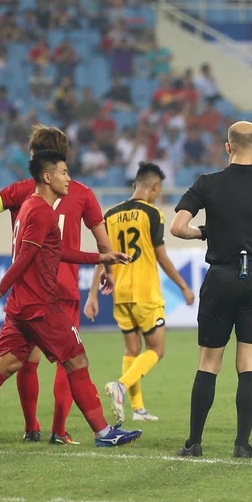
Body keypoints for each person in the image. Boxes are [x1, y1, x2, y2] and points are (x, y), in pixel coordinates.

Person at [0, 151, 139, 449]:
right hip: (40, 305)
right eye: (64, 172)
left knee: (5, 365)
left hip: (22, 305)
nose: (69, 178)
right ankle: (102, 432)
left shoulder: (31, 205)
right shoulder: (41, 211)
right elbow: (26, 258)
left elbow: (56, 252)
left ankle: (92, 431)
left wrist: (101, 257)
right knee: (76, 359)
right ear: (47, 177)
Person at [170, 121, 252, 458]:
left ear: (227, 147)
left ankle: (194, 443)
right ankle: (242, 444)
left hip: (221, 276)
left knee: (208, 361)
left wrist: (203, 233)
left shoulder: (208, 183)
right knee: (248, 361)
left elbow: (177, 226)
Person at [86, 162, 195, 424]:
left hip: (120, 293)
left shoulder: (110, 215)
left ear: (135, 184)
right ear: (155, 187)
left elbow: (103, 258)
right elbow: (162, 257)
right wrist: (182, 285)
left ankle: (138, 409)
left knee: (131, 349)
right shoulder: (152, 213)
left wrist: (92, 295)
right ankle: (121, 386)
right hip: (145, 292)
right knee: (156, 350)